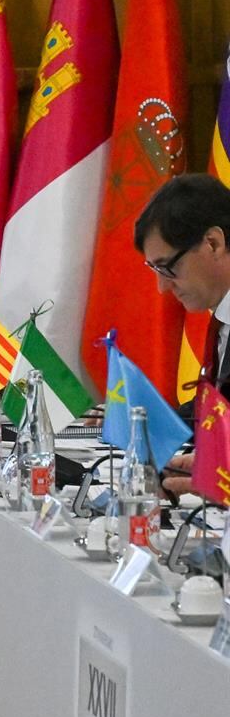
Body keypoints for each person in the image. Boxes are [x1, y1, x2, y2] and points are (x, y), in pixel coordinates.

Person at [132, 174, 230, 497]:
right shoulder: (222, 320)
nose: (162, 287)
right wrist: (143, 421)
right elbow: (219, 403)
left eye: (167, 267)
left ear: (213, 243)